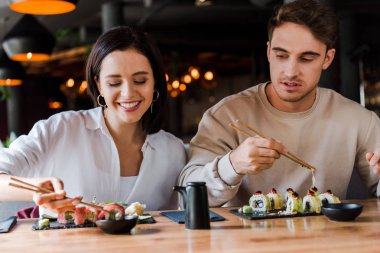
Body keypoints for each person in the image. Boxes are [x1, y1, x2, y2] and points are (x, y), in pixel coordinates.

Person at [179, 0, 380, 207]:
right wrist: (232, 165)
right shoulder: (226, 115)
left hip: (327, 238)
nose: (291, 71)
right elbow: (186, 196)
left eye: (306, 59)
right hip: (246, 239)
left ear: (327, 59)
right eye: (281, 55)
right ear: (268, 52)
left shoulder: (357, 119)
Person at [0, 26, 186, 215]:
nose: (128, 93)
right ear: (99, 85)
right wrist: (35, 188)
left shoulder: (172, 151)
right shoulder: (60, 129)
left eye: (140, 80)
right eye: (114, 83)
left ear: (155, 82)